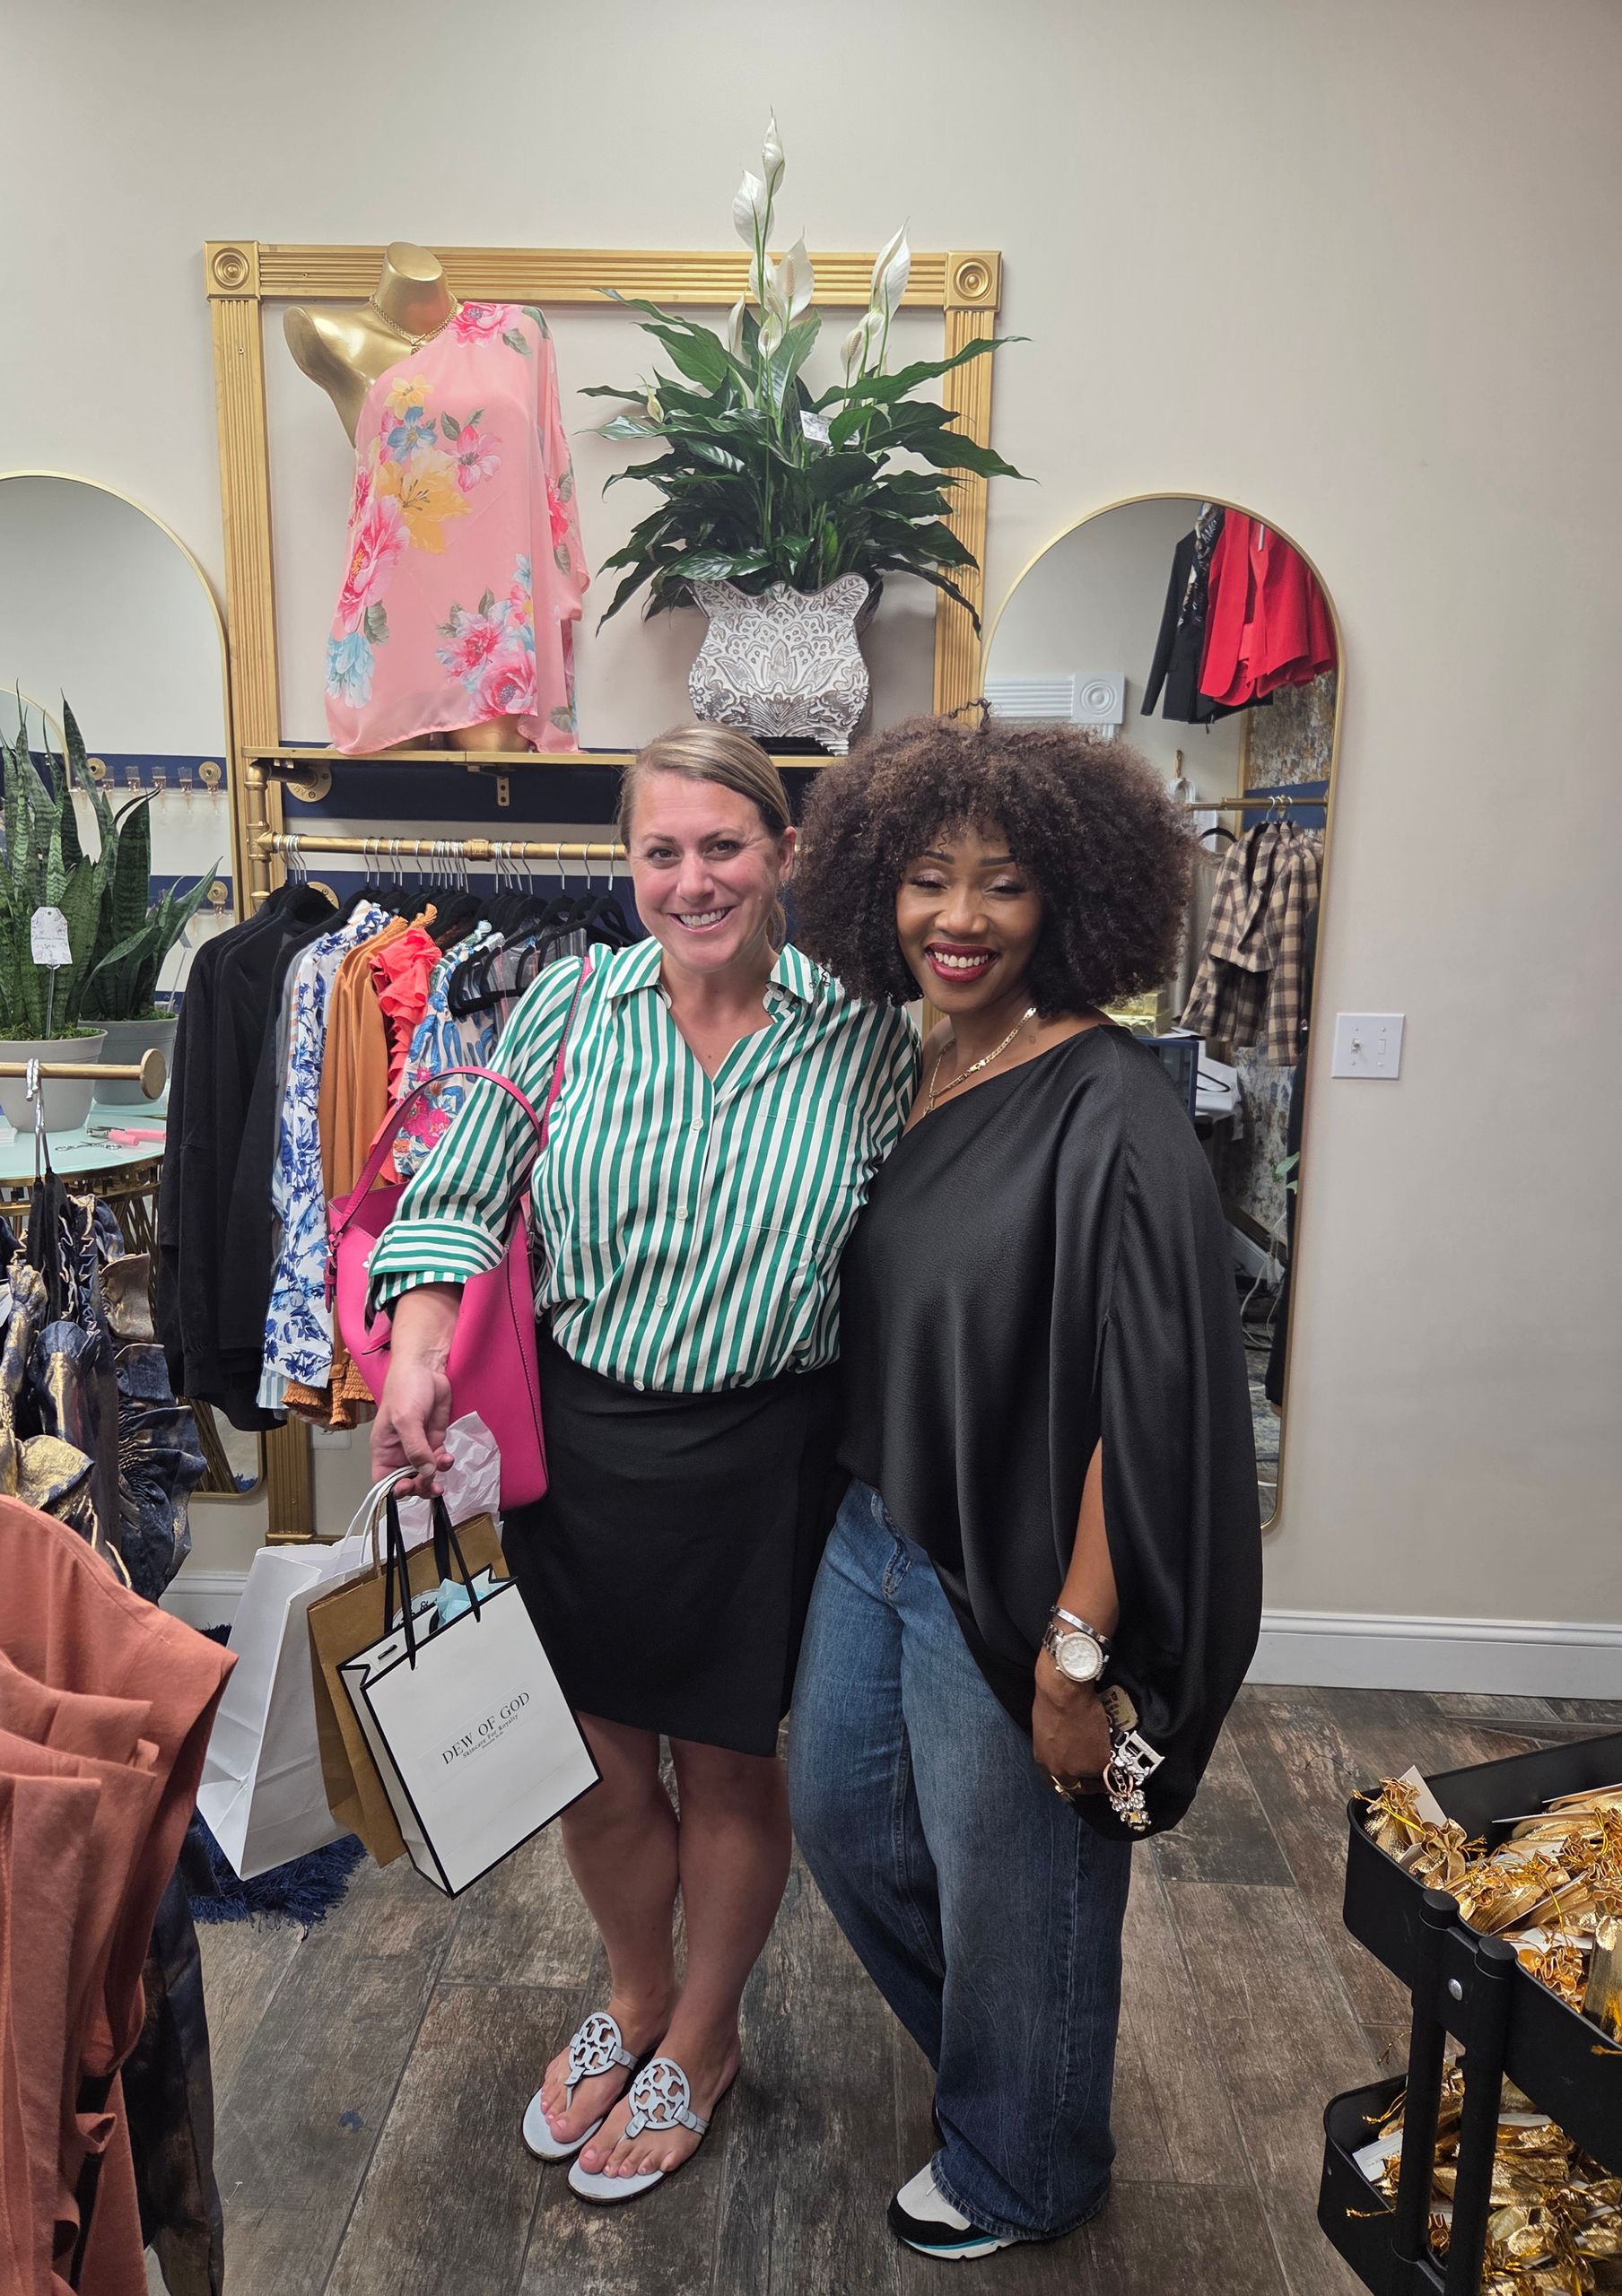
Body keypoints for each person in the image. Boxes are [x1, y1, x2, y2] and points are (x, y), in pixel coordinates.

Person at [367, 725, 918, 2205]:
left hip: (769, 1455)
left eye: (724, 846)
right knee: (596, 1770)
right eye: (661, 851)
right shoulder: (562, 1008)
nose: (693, 880)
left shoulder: (865, 1036)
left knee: (732, 1765)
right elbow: (459, 1187)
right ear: (626, 866)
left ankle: (705, 2031)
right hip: (588, 1438)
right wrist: (418, 1350)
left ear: (784, 854)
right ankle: (629, 1996)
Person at [787, 713, 1261, 2261]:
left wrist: (1075, 1649)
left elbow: (1157, 1406)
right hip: (880, 1527)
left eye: (1001, 884)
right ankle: (1023, 2066)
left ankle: (1029, 2159)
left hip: (1024, 1569)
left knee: (1023, 1885)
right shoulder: (915, 1061)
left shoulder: (1113, 1100)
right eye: (927, 880)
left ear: (1067, 899)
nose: (961, 918)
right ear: (878, 892)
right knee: (847, 1823)